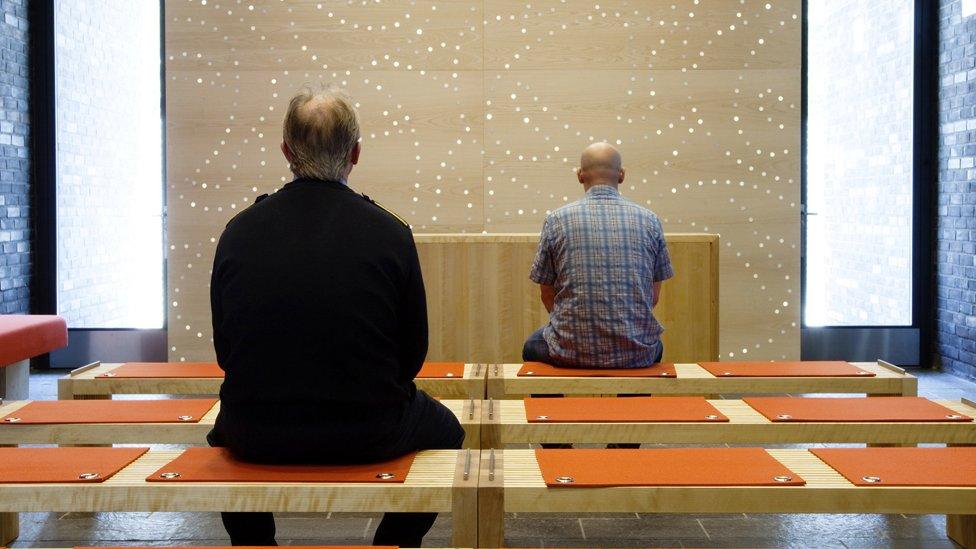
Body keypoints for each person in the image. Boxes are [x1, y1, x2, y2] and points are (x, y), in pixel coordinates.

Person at [208, 85, 464, 546]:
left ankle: (253, 542)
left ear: (286, 151)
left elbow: (226, 349)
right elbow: (413, 354)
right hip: (368, 428)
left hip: (256, 429)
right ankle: (395, 542)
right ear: (356, 153)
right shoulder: (390, 232)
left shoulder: (239, 230)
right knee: (449, 431)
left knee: (223, 432)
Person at [523, 142, 674, 368]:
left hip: (570, 351)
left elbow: (547, 294)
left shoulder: (557, 220)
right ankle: (633, 403)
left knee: (531, 346)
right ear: (621, 175)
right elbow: (652, 297)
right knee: (655, 346)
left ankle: (553, 405)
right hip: (636, 351)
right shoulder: (649, 220)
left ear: (580, 175)